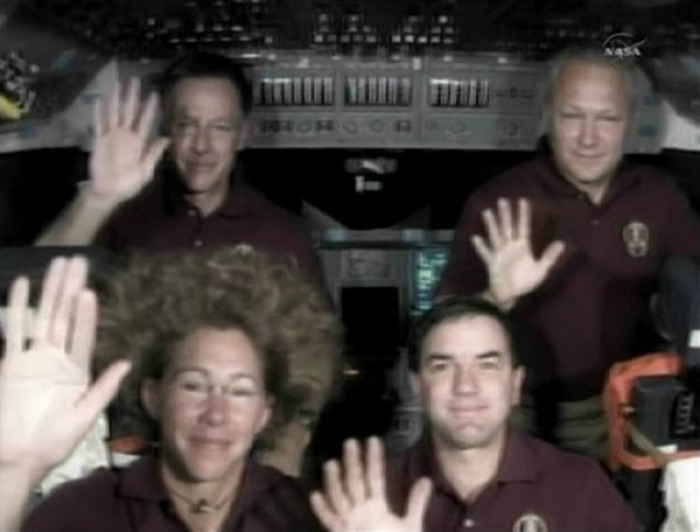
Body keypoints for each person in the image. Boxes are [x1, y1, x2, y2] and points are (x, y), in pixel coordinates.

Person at [436, 47, 700, 458]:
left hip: (622, 404)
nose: (588, 138)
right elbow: (438, 329)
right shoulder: (500, 199)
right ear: (548, 116)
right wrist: (495, 299)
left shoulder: (659, 198)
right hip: (515, 408)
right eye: (572, 116)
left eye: (607, 119)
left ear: (628, 121)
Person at [0, 247, 341, 532]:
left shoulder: (310, 515)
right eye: (194, 385)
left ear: (265, 412)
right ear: (153, 397)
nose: (216, 414)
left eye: (239, 391)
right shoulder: (82, 512)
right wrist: (17, 469)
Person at [310, 296, 641, 532]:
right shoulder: (368, 499)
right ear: (417, 386)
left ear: (515, 384)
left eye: (486, 365)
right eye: (443, 366)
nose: (465, 386)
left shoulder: (581, 486)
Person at [34, 52, 322, 282]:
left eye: (220, 128)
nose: (201, 145)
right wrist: (97, 198)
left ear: (241, 136)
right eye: (186, 125)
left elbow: (317, 346)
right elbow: (34, 283)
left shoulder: (285, 237)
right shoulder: (120, 221)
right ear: (166, 129)